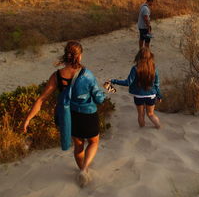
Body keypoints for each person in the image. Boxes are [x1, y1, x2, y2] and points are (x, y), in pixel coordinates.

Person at [23, 41, 105, 187]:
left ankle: (82, 170)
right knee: (93, 142)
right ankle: (85, 169)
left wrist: (28, 118)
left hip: (70, 116)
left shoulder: (57, 76)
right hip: (88, 115)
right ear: (79, 56)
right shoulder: (88, 75)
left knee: (78, 146)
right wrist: (103, 93)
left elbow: (41, 99)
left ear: (66, 56)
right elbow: (98, 98)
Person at [111, 47, 162, 129]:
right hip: (151, 95)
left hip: (139, 95)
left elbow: (127, 82)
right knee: (151, 114)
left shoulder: (135, 68)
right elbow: (157, 84)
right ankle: (158, 127)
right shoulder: (154, 68)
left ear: (138, 57)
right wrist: (159, 95)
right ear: (150, 57)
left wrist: (114, 81)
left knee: (141, 114)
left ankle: (142, 129)